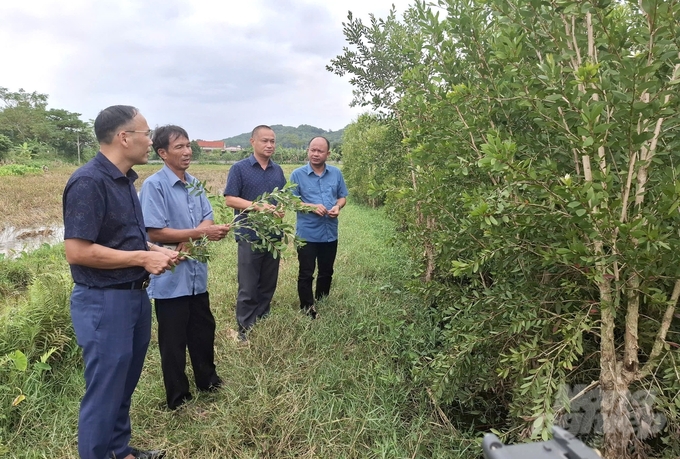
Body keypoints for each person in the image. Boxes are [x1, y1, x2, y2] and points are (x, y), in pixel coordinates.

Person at [62, 106, 179, 459]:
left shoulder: (125, 181)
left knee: (123, 384)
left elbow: (120, 238)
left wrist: (152, 248)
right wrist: (143, 258)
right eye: (146, 133)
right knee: (104, 392)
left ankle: (119, 450)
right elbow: (78, 251)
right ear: (124, 137)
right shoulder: (89, 181)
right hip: (103, 302)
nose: (151, 141)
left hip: (133, 297)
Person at [139, 125, 229, 410]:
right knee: (173, 341)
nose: (187, 151)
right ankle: (178, 397)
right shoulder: (154, 186)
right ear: (163, 153)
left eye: (188, 145)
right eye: (179, 147)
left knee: (203, 330)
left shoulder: (195, 183)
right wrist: (198, 235)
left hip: (195, 275)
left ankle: (208, 380)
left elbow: (207, 217)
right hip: (171, 276)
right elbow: (154, 232)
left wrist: (193, 237)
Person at [224, 125, 286, 341]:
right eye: (264, 141)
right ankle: (245, 328)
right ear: (253, 142)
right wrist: (258, 206)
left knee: (268, 282)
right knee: (249, 285)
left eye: (272, 141)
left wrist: (280, 211)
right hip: (249, 235)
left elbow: (283, 199)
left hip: (273, 237)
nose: (269, 145)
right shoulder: (239, 169)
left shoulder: (277, 170)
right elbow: (230, 198)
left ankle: (263, 316)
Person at [289, 136, 348, 318]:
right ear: (308, 151)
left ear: (327, 154)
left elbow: (342, 196)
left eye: (320, 151)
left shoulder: (336, 173)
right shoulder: (297, 175)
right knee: (306, 272)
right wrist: (311, 206)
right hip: (307, 234)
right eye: (312, 150)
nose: (315, 154)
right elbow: (291, 201)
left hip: (329, 233)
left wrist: (338, 206)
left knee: (327, 271)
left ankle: (322, 299)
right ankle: (307, 307)